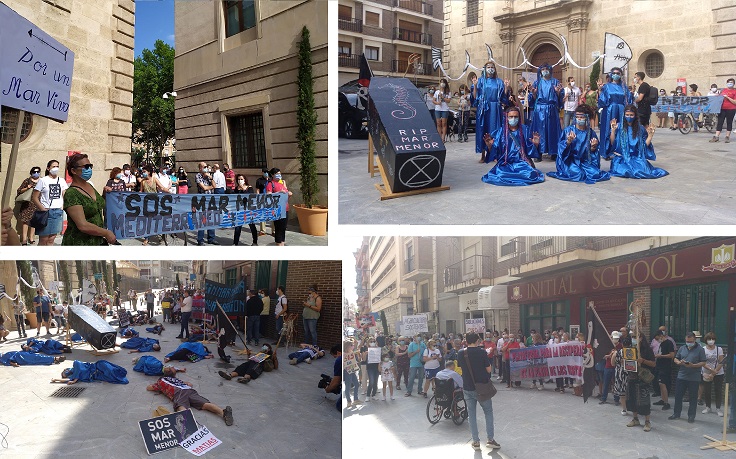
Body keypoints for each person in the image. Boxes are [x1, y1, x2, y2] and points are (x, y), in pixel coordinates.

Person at [480, 106, 544, 186]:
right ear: (506, 118)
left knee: (530, 175)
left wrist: (535, 144)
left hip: (522, 162)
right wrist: (490, 146)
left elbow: (529, 151)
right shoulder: (501, 132)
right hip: (506, 163)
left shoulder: (525, 130)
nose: (513, 119)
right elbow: (496, 153)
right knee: (500, 174)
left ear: (519, 118)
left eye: (515, 117)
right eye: (511, 117)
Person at [458, 332, 500, 451]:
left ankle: (475, 441)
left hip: (467, 387)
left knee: (471, 415)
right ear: (477, 341)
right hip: (482, 387)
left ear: (466, 341)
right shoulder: (481, 352)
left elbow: (462, 368)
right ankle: (490, 439)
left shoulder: (461, 353)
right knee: (488, 412)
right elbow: (488, 369)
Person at [547, 104, 609, 184]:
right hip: (570, 161)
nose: (579, 119)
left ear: (587, 118)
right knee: (579, 174)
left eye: (582, 117)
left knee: (595, 173)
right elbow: (561, 150)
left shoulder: (591, 133)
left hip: (584, 162)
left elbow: (592, 155)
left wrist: (593, 148)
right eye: (577, 117)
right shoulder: (568, 131)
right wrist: (568, 142)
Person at [608, 104, 668, 179]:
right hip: (622, 158)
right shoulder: (619, 126)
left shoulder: (641, 129)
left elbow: (644, 147)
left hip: (636, 158)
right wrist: (613, 131)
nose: (629, 117)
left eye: (631, 115)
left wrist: (650, 136)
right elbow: (613, 143)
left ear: (635, 116)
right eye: (627, 115)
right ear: (624, 115)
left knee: (639, 171)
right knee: (626, 171)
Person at [147, 376, 233, 426]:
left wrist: (159, 387)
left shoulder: (160, 382)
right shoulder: (177, 380)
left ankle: (186, 422)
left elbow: (149, 388)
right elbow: (190, 384)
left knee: (180, 405)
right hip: (189, 390)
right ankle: (223, 412)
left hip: (178, 392)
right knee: (204, 404)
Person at [472, 62, 508, 161]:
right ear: (485, 69)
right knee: (483, 130)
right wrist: (475, 86)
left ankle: (494, 154)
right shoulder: (480, 81)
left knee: (495, 130)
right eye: (488, 67)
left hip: (495, 108)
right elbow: (474, 97)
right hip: (483, 109)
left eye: (492, 67)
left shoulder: (499, 81)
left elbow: (503, 97)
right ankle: (483, 155)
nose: (490, 69)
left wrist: (506, 87)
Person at [668, 332, 707, 423]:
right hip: (681, 376)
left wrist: (693, 365)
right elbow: (675, 358)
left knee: (693, 398)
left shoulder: (700, 349)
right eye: (687, 341)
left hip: (694, 377)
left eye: (690, 341)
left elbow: (703, 362)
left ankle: (691, 416)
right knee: (678, 396)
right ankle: (676, 413)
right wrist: (678, 362)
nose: (688, 342)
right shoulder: (682, 348)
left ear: (694, 340)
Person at [598, 67, 633, 159]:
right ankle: (606, 151)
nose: (616, 75)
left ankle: (619, 150)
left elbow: (629, 100)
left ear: (621, 75)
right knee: (607, 129)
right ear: (611, 74)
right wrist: (600, 90)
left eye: (618, 73)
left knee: (621, 129)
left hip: (622, 110)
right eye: (614, 73)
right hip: (610, 110)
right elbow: (601, 100)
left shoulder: (624, 87)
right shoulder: (606, 86)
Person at [530, 63, 563, 161]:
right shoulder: (537, 83)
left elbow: (560, 98)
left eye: (546, 69)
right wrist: (534, 93)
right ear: (540, 71)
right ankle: (538, 152)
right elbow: (534, 99)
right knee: (539, 131)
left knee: (552, 130)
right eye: (543, 69)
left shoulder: (555, 82)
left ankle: (554, 151)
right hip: (540, 109)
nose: (545, 71)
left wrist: (557, 92)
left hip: (552, 109)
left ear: (550, 70)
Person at [31, 159, 67, 246]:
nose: (56, 168)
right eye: (54, 166)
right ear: (48, 168)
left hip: (58, 212)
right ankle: (40, 259)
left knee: (51, 239)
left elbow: (65, 195)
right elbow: (35, 197)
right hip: (46, 212)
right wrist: (43, 209)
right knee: (43, 240)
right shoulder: (43, 180)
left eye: (57, 166)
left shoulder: (61, 180)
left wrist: (62, 206)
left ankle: (49, 259)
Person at [625, 332, 656, 432]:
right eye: (632, 337)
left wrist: (643, 361)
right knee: (632, 399)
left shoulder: (647, 350)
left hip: (642, 379)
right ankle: (635, 419)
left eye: (636, 337)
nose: (634, 339)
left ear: (641, 338)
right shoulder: (630, 349)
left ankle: (647, 421)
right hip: (632, 377)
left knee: (644, 400)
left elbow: (653, 364)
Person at [701, 332, 725, 416]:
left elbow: (721, 362)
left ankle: (718, 408)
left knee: (718, 390)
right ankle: (708, 407)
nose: (711, 341)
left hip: (718, 373)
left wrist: (714, 372)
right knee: (707, 390)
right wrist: (711, 371)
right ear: (706, 340)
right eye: (709, 339)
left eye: (713, 339)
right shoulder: (703, 349)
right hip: (706, 372)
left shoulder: (719, 349)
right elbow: (702, 362)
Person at [265, 167, 291, 246]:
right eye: (277, 174)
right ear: (272, 175)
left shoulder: (282, 184)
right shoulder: (270, 184)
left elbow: (285, 196)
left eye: (280, 173)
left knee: (283, 228)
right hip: (277, 209)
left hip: (285, 208)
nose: (279, 175)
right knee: (279, 228)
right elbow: (268, 196)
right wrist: (279, 192)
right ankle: (278, 244)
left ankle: (282, 243)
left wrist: (289, 194)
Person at [16, 166, 41, 245]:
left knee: (34, 222)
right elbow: (19, 190)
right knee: (25, 221)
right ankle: (24, 239)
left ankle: (31, 238)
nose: (36, 173)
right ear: (31, 172)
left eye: (38, 172)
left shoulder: (42, 181)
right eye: (34, 172)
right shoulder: (27, 181)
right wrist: (27, 187)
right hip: (27, 204)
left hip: (37, 203)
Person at [51, 360, 128, 385]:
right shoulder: (74, 376)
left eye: (65, 371)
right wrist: (56, 380)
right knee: (111, 376)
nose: (67, 372)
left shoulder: (76, 364)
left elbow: (77, 363)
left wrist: (75, 379)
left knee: (110, 369)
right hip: (96, 374)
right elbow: (68, 381)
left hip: (98, 366)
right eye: (66, 374)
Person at [195, 162, 218, 245]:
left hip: (210, 199)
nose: (206, 168)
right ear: (200, 168)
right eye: (204, 167)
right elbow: (204, 187)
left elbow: (215, 186)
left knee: (211, 219)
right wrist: (211, 187)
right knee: (202, 219)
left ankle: (211, 238)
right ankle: (200, 240)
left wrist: (210, 178)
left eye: (206, 167)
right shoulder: (198, 176)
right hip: (202, 200)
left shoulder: (209, 176)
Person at [232, 174, 259, 246]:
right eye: (238, 179)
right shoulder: (236, 189)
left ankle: (255, 242)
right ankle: (235, 243)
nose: (240, 181)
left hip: (248, 209)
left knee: (252, 226)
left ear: (244, 180)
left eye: (241, 179)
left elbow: (250, 196)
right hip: (239, 210)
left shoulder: (249, 188)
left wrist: (243, 189)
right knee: (238, 227)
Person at [652, 330, 675, 410]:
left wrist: (661, 356)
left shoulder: (669, 343)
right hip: (659, 365)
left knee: (663, 383)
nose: (657, 340)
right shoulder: (661, 343)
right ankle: (662, 399)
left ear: (661, 336)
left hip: (665, 367)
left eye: (657, 338)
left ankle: (666, 402)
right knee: (659, 383)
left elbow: (672, 355)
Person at [710, 77, 736, 143]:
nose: (729, 84)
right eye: (728, 82)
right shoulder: (723, 90)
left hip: (731, 109)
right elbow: (719, 97)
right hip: (722, 108)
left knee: (729, 122)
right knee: (720, 122)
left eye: (731, 83)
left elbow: (735, 102)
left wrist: (728, 97)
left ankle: (727, 136)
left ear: (733, 84)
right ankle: (716, 136)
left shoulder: (734, 91)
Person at [325, 344, 343, 411]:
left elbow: (336, 382)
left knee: (339, 405)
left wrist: (328, 389)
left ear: (339, 353)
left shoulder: (339, 360)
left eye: (335, 356)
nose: (335, 358)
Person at [434, 78, 452, 142]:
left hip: (445, 109)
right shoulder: (437, 92)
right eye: (441, 82)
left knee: (444, 123)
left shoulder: (448, 92)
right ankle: (439, 136)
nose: (442, 84)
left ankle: (443, 137)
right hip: (438, 108)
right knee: (438, 123)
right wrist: (437, 103)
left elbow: (449, 100)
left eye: (443, 82)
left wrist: (443, 97)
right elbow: (434, 100)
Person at [255, 167, 270, 236]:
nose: (266, 173)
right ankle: (262, 230)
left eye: (267, 172)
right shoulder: (259, 180)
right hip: (262, 198)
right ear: (262, 173)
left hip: (270, 199)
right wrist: (258, 198)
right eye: (264, 172)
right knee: (262, 214)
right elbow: (257, 190)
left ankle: (274, 230)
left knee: (271, 213)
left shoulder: (270, 180)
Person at [1, 351, 66, 366]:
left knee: (37, 357)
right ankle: (54, 359)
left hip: (22, 355)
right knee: (36, 359)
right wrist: (13, 364)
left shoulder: (5, 354)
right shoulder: (2, 357)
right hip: (21, 357)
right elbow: (8, 361)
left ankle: (54, 359)